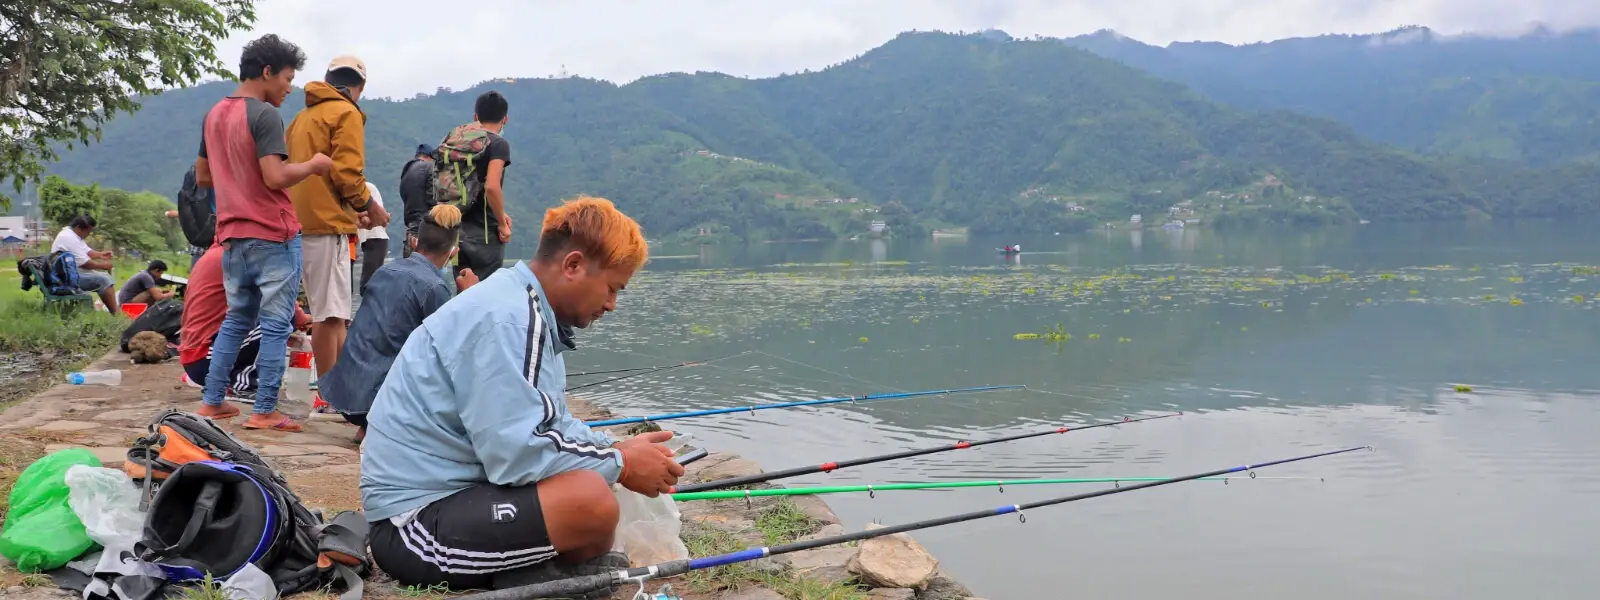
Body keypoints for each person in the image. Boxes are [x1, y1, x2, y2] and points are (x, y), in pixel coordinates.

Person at [360, 197, 681, 594]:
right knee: (591, 504)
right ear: (573, 265)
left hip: (457, 498)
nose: (611, 305)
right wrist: (623, 463)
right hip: (412, 529)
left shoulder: (529, 308)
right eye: (612, 289)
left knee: (593, 509)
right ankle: (535, 579)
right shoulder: (508, 319)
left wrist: (613, 446)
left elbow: (552, 423)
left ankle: (527, 578)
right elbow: (516, 455)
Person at [192, 34, 331, 432]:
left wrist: (237, 181)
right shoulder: (264, 115)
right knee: (276, 324)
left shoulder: (215, 114)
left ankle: (212, 402)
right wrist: (313, 165)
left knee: (237, 319)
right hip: (272, 233)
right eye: (287, 78)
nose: (289, 88)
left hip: (232, 235)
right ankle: (265, 409)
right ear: (267, 72)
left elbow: (203, 176)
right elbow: (275, 176)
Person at [321, 205, 479, 443]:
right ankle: (387, 425)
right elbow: (453, 349)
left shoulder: (384, 271)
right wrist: (469, 297)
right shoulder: (434, 287)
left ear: (414, 243)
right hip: (379, 401)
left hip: (344, 395)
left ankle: (371, 426)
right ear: (453, 252)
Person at [286, 54, 390, 390]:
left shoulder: (302, 118)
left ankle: (345, 387)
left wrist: (351, 213)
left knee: (336, 313)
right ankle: (331, 393)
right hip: (325, 227)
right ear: (360, 86)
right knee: (328, 317)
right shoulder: (347, 112)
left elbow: (314, 179)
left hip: (303, 222)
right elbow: (346, 173)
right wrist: (370, 207)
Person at [179, 244, 310, 397]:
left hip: (194, 357)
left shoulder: (215, 254)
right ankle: (242, 385)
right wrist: (305, 320)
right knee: (283, 318)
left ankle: (223, 380)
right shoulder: (245, 256)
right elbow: (283, 300)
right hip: (205, 358)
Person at [454, 90, 512, 280]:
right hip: (484, 238)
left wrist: (500, 212)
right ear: (505, 119)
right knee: (486, 293)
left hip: (455, 234)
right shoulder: (497, 144)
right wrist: (502, 224)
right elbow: (491, 187)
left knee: (463, 290)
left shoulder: (458, 143)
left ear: (475, 117)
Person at [50, 215, 118, 314]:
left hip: (70, 274)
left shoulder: (73, 235)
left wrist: (101, 254)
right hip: (65, 280)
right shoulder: (69, 238)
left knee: (104, 277)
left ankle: (114, 311)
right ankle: (116, 314)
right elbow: (85, 264)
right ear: (78, 228)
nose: (88, 234)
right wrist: (103, 266)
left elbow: (87, 251)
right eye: (88, 232)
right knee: (104, 279)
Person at [398, 144, 436, 258]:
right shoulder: (428, 167)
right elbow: (432, 198)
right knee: (425, 265)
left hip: (411, 227)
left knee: (410, 264)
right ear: (429, 157)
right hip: (425, 228)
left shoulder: (406, 172)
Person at [356, 182, 389, 291]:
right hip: (370, 239)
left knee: (369, 284)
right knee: (369, 282)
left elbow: (370, 217)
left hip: (375, 238)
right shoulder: (364, 187)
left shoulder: (364, 188)